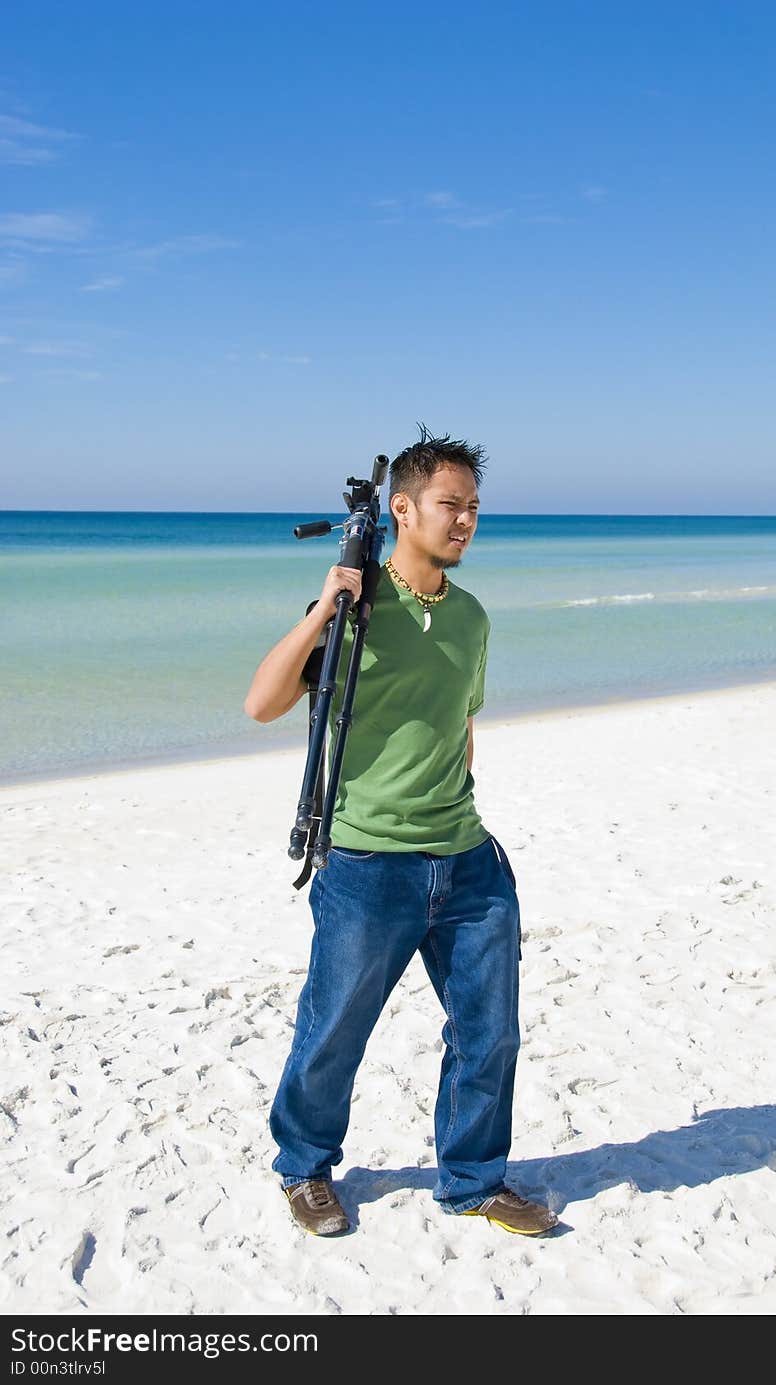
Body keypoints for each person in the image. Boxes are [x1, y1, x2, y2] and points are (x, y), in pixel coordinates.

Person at [244, 428, 558, 1238]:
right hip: (366, 862)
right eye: (452, 506)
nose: (466, 521)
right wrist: (324, 608)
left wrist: (464, 813)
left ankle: (474, 1180)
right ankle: (304, 1168)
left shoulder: (473, 617)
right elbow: (263, 703)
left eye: (475, 508)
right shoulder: (354, 608)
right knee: (334, 1030)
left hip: (467, 859)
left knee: (489, 1033)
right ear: (403, 508)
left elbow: (461, 725)